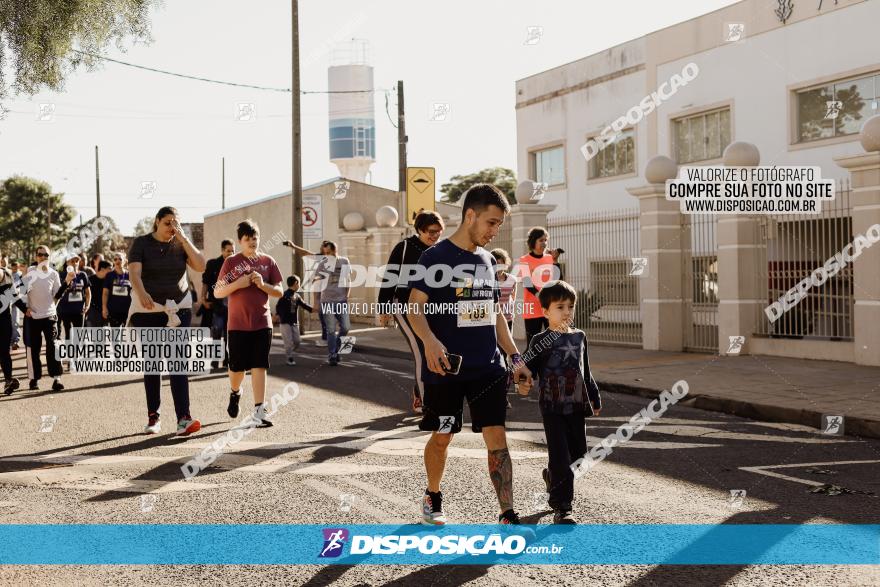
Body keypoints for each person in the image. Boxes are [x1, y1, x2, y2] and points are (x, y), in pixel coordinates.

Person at [406, 183, 532, 525]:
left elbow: (495, 317)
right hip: (446, 369)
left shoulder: (489, 261)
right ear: (470, 215)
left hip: (487, 368)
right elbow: (414, 308)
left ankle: (507, 512)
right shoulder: (434, 257)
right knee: (444, 434)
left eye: (499, 226)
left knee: (497, 437)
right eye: (491, 223)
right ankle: (433, 495)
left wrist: (516, 359)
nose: (494, 232)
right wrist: (430, 341)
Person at [518, 280, 601, 525]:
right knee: (560, 457)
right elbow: (525, 368)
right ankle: (563, 507)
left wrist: (594, 395)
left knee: (578, 457)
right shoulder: (540, 340)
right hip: (552, 407)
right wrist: (521, 380)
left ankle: (552, 479)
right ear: (545, 312)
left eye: (570, 307)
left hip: (576, 405)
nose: (567, 312)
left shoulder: (579, 337)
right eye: (560, 307)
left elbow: (586, 371)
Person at [128, 206, 206, 436]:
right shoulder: (141, 243)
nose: (172, 227)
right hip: (148, 311)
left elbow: (200, 265)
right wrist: (141, 292)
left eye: (176, 223)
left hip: (178, 310)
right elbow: (134, 272)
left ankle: (184, 418)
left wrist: (184, 239)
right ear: (157, 222)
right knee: (153, 364)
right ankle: (154, 417)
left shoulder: (180, 244)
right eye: (168, 223)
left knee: (177, 363)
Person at [214, 219, 283, 426]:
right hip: (237, 325)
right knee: (237, 371)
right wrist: (238, 283)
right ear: (240, 241)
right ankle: (235, 392)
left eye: (255, 238)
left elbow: (279, 291)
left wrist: (263, 285)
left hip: (262, 322)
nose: (252, 242)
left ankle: (259, 410)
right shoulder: (231, 262)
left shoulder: (268, 261)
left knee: (259, 365)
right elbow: (218, 292)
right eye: (247, 239)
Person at [378, 210, 444, 411]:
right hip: (405, 307)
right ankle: (427, 404)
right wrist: (384, 309)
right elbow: (389, 279)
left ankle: (419, 390)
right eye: (431, 232)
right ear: (419, 230)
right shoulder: (405, 247)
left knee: (435, 350)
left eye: (439, 232)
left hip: (433, 309)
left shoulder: (441, 250)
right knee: (421, 351)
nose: (435, 236)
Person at [283, 240, 350, 366]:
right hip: (327, 301)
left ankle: (335, 348)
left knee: (345, 327)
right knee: (331, 330)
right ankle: (333, 355)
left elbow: (348, 280)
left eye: (329, 252)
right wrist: (316, 302)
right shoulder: (322, 262)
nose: (327, 255)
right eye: (325, 253)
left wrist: (346, 296)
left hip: (341, 301)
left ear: (335, 250)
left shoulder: (344, 261)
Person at [22, 245, 64, 391]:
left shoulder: (54, 274)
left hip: (49, 316)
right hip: (33, 317)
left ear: (49, 257)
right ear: (36, 257)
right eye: (40, 255)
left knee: (53, 346)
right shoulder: (30, 272)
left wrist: (53, 308)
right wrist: (25, 308)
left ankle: (57, 378)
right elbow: (21, 292)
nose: (43, 258)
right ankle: (34, 379)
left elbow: (57, 294)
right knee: (34, 349)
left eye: (46, 255)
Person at [518, 227, 563, 348]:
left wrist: (555, 261)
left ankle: (549, 366)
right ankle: (524, 366)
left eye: (545, 240)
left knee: (553, 341)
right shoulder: (524, 259)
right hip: (532, 308)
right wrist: (541, 296)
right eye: (541, 240)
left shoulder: (549, 258)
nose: (544, 243)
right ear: (533, 241)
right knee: (533, 345)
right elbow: (527, 282)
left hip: (549, 307)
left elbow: (559, 280)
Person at [201, 240, 234, 368]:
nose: (231, 253)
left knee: (229, 335)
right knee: (216, 332)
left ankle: (227, 360)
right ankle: (215, 361)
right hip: (217, 306)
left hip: (232, 306)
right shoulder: (213, 264)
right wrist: (203, 298)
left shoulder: (237, 265)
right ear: (222, 250)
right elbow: (205, 282)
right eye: (228, 251)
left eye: (233, 250)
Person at [276, 275, 313, 365]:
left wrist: (314, 309)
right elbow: (278, 307)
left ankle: (288, 352)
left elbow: (304, 305)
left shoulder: (297, 296)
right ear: (296, 283)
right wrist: (277, 316)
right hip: (285, 323)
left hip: (294, 322)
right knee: (288, 342)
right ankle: (289, 358)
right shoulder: (283, 295)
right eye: (299, 283)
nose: (299, 285)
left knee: (297, 341)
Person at [0, 257, 24, 394]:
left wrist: (26, 310)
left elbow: (15, 296)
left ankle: (8, 381)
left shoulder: (7, 274)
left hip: (4, 320)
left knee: (4, 352)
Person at [56, 254, 92, 341]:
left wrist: (87, 306)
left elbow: (88, 293)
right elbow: (57, 291)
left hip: (79, 310)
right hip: (65, 309)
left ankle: (76, 353)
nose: (75, 263)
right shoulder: (61, 274)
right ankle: (69, 353)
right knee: (68, 335)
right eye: (72, 261)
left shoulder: (83, 275)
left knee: (78, 335)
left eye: (77, 261)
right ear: (67, 263)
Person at [102, 253, 132, 327]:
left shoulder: (130, 275)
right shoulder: (109, 275)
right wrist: (104, 308)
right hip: (113, 311)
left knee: (126, 336)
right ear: (113, 262)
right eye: (115, 259)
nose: (118, 261)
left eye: (120, 259)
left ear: (125, 261)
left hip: (127, 310)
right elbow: (105, 293)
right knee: (115, 337)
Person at [87, 260, 111, 327]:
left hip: (104, 311)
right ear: (103, 269)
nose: (111, 271)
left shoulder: (108, 281)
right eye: (109, 269)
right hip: (92, 312)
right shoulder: (90, 279)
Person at [9, 260, 22, 350]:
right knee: (8, 322)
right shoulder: (8, 273)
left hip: (16, 299)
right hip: (8, 300)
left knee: (15, 321)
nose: (14, 267)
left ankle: (15, 341)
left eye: (16, 266)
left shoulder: (20, 274)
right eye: (13, 266)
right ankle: (10, 340)